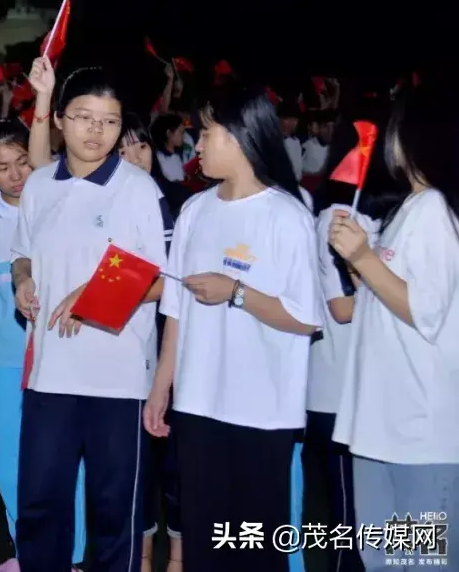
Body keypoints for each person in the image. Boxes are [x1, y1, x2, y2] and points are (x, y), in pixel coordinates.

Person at [145, 86, 321, 572]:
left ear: (241, 136)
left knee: (254, 547)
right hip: (198, 403)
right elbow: (175, 309)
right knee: (204, 541)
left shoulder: (287, 215)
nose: (196, 145)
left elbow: (305, 316)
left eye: (206, 134)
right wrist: (161, 387)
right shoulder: (195, 211)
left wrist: (237, 292)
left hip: (262, 408)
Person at [11, 66, 171, 572]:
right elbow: (22, 252)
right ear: (59, 119)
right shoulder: (39, 185)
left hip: (118, 379)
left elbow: (166, 279)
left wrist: (96, 291)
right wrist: (22, 279)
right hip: (49, 373)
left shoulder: (139, 189)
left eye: (109, 121)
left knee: (114, 511)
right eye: (84, 116)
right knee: (39, 503)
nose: (96, 130)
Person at [330, 85, 459, 572]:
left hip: (420, 434)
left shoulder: (435, 211)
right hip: (384, 428)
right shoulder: (410, 208)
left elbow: (425, 310)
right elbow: (392, 295)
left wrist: (364, 257)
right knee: (384, 558)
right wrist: (361, 265)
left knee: (422, 562)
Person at [0, 120, 87, 572]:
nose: (17, 175)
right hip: (3, 355)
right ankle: (28, 553)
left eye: (23, 162)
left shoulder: (57, 202)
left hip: (59, 348)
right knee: (10, 457)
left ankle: (71, 555)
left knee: (64, 453)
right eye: (3, 167)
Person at [305, 117, 403, 572]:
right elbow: (342, 308)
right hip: (338, 392)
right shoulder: (338, 219)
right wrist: (403, 298)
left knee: (375, 517)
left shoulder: (381, 217)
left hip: (367, 389)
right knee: (350, 517)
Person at [116, 114, 185, 570]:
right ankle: (140, 556)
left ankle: (179, 557)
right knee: (135, 464)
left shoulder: (181, 204)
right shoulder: (107, 205)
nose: (134, 158)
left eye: (140, 147)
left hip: (174, 344)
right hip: (126, 349)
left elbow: (180, 280)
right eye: (122, 151)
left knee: (177, 462)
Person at [151, 113, 188, 183]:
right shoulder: (158, 159)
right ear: (169, 134)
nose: (184, 137)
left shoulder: (181, 154)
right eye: (181, 132)